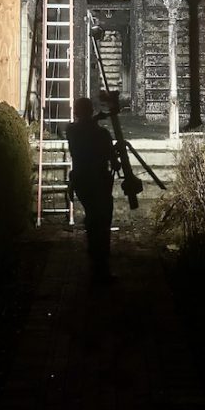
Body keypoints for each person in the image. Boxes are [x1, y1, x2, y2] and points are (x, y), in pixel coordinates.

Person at [66, 97, 120, 283]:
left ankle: (94, 260)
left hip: (81, 180)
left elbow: (84, 126)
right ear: (91, 111)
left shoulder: (71, 131)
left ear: (76, 113)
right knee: (102, 221)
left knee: (92, 218)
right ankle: (101, 265)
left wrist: (99, 117)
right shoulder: (102, 135)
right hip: (99, 181)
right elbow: (114, 162)